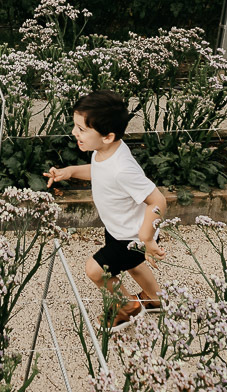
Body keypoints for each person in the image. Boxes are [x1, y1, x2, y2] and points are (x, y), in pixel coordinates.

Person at [44, 90, 166, 331]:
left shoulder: (123, 169)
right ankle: (155, 299)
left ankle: (127, 306)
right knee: (133, 265)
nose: (74, 132)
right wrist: (70, 171)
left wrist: (147, 238)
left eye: (81, 129)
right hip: (119, 228)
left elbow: (158, 201)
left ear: (108, 136)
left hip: (135, 236)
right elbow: (99, 171)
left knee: (95, 270)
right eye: (75, 126)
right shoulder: (106, 151)